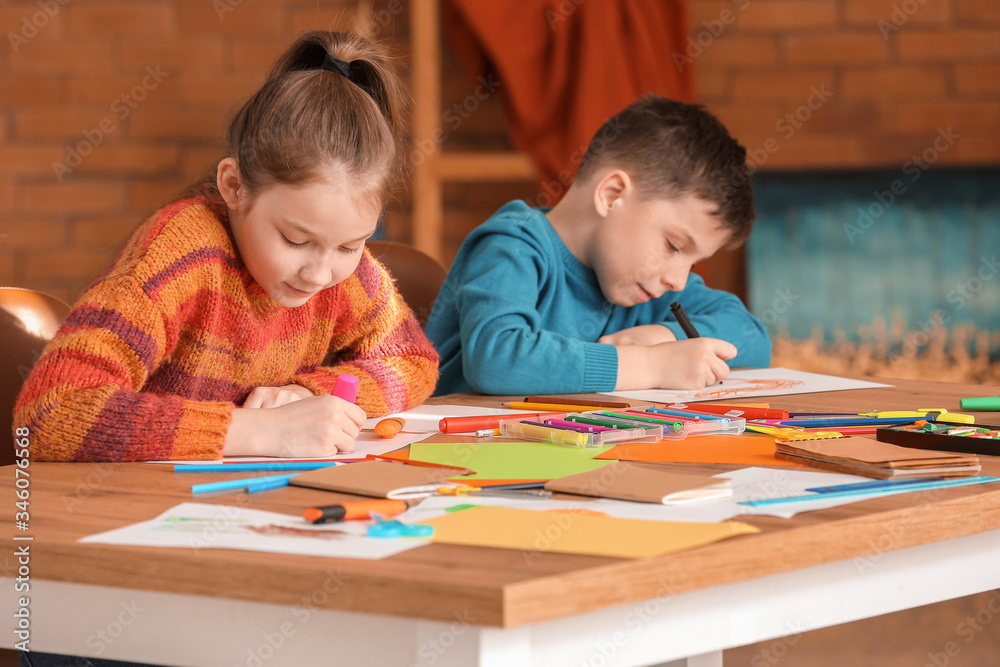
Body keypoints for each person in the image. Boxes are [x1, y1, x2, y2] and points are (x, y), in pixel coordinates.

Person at [13, 31, 439, 463]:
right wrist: (255, 430)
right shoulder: (181, 255)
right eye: (295, 240)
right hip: (139, 508)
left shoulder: (340, 274)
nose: (319, 273)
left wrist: (306, 393)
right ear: (234, 186)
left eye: (350, 246)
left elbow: (412, 360)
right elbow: (49, 415)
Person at [426, 94, 770, 396]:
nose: (678, 281)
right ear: (612, 195)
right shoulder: (513, 245)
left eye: (693, 263)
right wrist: (650, 365)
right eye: (673, 246)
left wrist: (661, 336)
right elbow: (496, 359)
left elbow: (753, 336)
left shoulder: (647, 287)